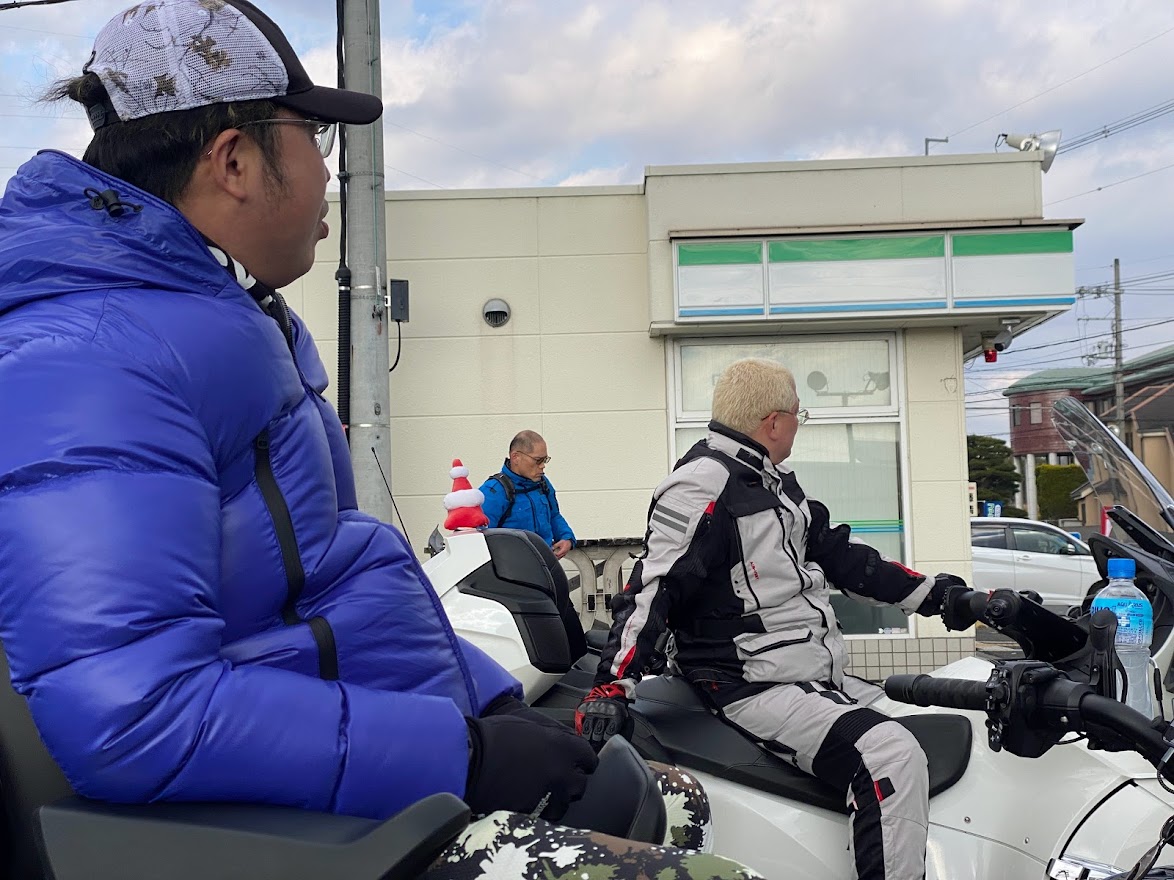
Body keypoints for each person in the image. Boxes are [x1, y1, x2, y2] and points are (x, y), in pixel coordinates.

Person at [0, 3, 760, 878]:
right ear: (234, 161)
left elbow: (334, 588)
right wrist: (464, 756)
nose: (328, 173)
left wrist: (492, 710)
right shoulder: (94, 356)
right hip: (259, 833)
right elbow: (133, 715)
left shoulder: (216, 317)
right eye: (313, 137)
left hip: (335, 779)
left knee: (680, 803)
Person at [577, 358, 965, 880]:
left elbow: (845, 560)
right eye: (799, 415)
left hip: (810, 675)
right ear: (775, 422)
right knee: (889, 755)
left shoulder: (771, 481)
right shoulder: (701, 484)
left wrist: (944, 598)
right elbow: (653, 588)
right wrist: (610, 687)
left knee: (947, 718)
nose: (800, 425)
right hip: (750, 683)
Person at [480, 430, 576, 559]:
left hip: (546, 562)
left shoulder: (543, 483)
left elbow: (553, 515)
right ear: (516, 457)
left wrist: (566, 537)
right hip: (511, 568)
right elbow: (481, 539)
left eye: (545, 460)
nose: (542, 466)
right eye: (538, 460)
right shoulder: (493, 491)